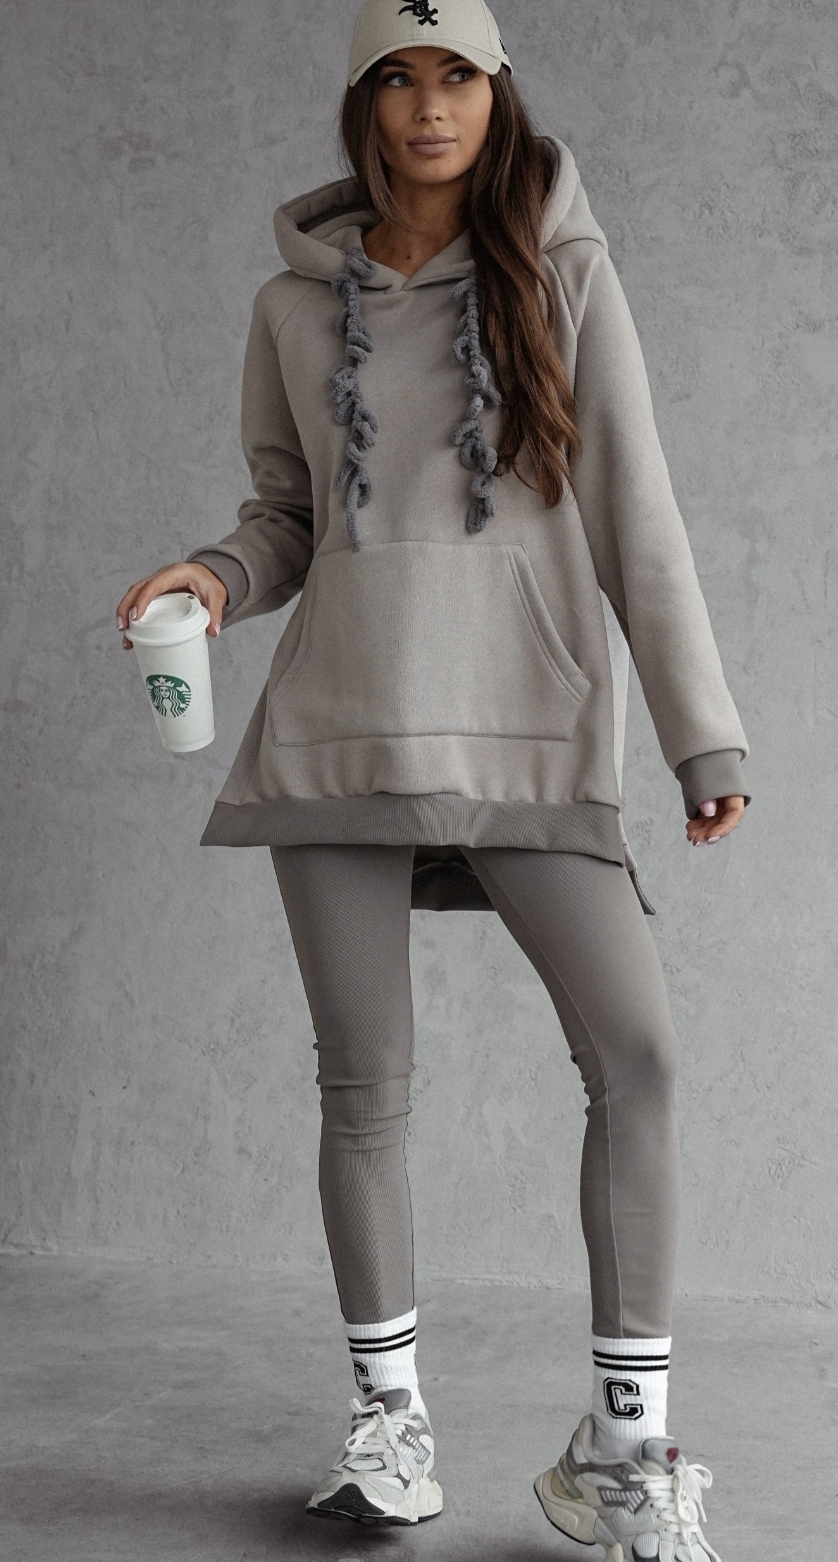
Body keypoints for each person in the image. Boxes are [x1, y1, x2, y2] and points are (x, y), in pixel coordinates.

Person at [116, 0, 751, 1552]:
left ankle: (622, 1449)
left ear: (496, 90)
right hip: (336, 725)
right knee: (363, 1083)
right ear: (363, 106)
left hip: (523, 723)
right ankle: (389, 1424)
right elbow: (285, 516)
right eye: (395, 78)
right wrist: (208, 575)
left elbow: (636, 516)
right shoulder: (290, 307)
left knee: (638, 1059)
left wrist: (700, 732)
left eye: (455, 73)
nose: (426, 105)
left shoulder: (565, 277)